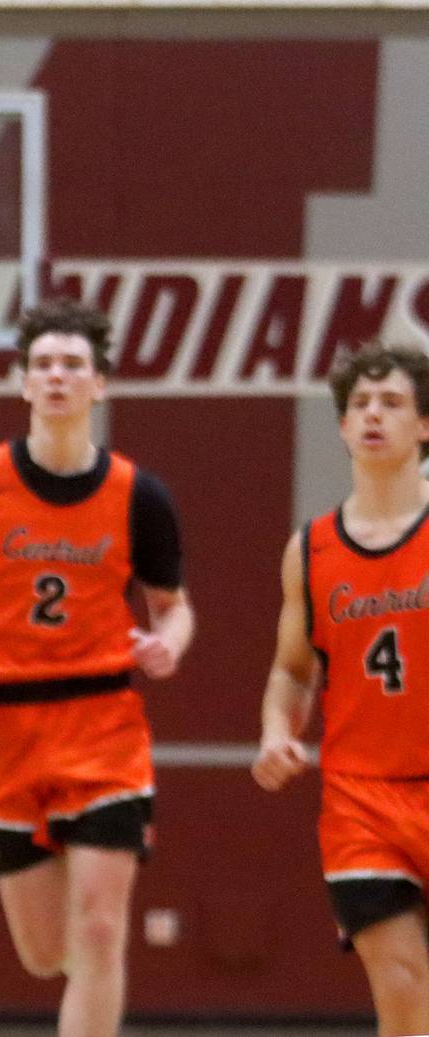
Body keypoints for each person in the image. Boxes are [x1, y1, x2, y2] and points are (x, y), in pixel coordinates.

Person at [0, 298, 194, 1037]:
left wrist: (170, 641)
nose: (58, 376)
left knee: (101, 930)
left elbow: (174, 604)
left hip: (103, 722)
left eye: (73, 364)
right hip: (3, 728)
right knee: (45, 952)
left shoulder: (140, 494)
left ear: (99, 384)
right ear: (24, 383)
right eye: (43, 364)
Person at [253, 345, 429, 1037]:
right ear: (343, 426)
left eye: (391, 402)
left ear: (424, 425)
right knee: (403, 987)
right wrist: (276, 730)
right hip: (362, 797)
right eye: (360, 404)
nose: (373, 415)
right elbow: (294, 670)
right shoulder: (312, 548)